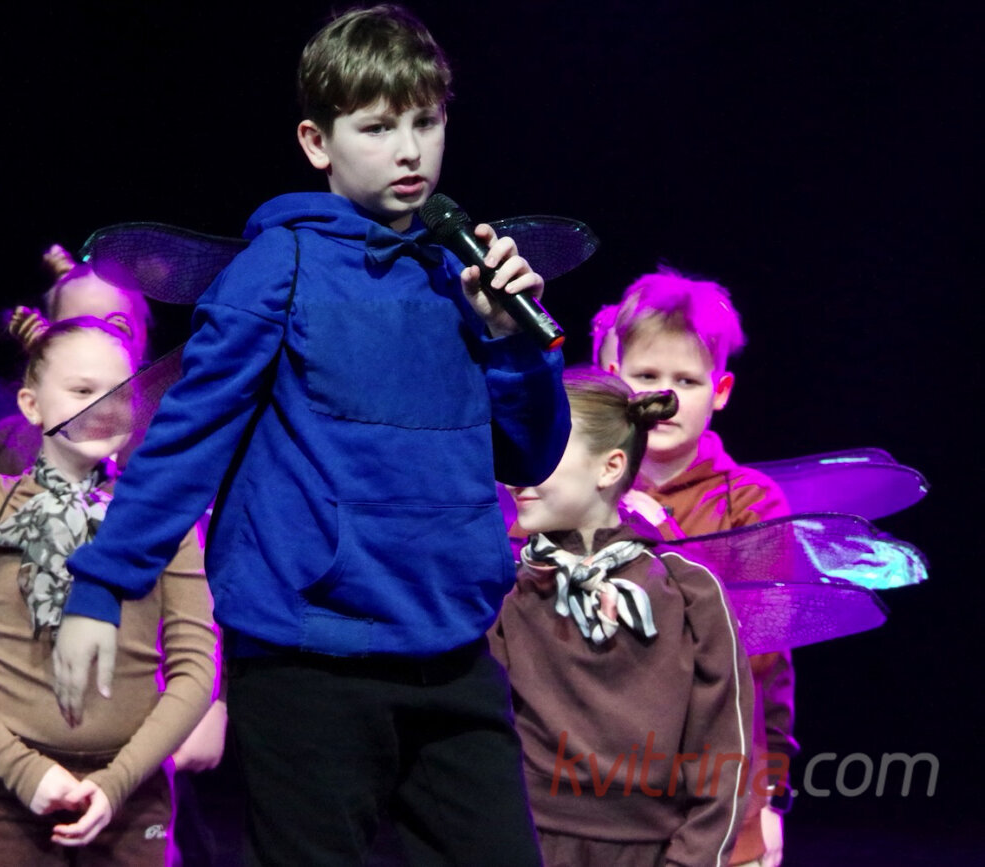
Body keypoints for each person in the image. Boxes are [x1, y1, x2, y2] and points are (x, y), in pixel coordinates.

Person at [55, 5, 570, 864]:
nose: (409, 150)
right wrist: (102, 586)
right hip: (310, 661)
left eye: (426, 122)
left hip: (451, 652)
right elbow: (187, 438)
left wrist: (513, 343)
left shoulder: (462, 272)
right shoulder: (278, 268)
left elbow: (531, 455)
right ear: (316, 142)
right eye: (378, 127)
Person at [0, 317, 216, 866]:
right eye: (81, 390)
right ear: (31, 405)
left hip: (132, 789)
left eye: (118, 392)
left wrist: (118, 781)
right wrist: (24, 771)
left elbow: (196, 666)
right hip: (6, 791)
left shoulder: (162, 515)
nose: (103, 407)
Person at [492, 367, 754, 866]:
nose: (516, 473)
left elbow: (724, 753)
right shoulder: (508, 586)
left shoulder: (689, 591)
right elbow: (478, 742)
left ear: (610, 467)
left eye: (543, 449)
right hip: (527, 847)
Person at [599, 268, 795, 867]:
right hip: (595, 787)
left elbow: (764, 659)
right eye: (646, 376)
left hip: (718, 790)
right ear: (613, 376)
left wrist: (772, 795)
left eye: (686, 380)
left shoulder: (750, 503)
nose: (666, 396)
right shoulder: (578, 489)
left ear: (721, 389)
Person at [0, 244, 153, 477]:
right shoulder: (8, 440)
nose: (98, 345)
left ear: (142, 337)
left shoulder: (163, 439)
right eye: (74, 330)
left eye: (116, 329)